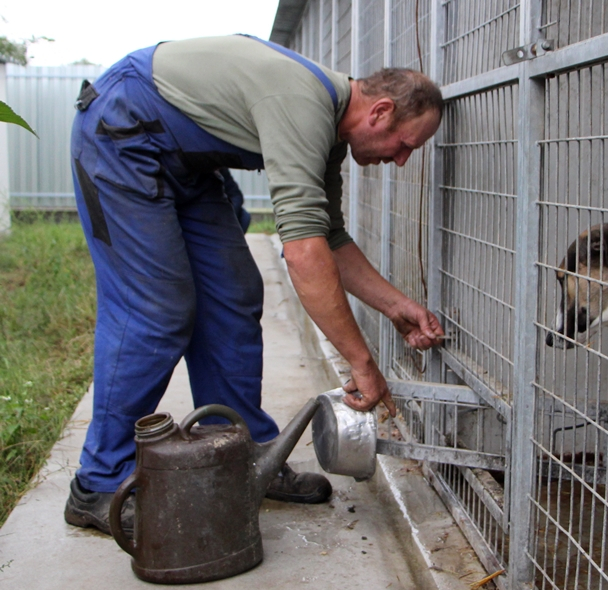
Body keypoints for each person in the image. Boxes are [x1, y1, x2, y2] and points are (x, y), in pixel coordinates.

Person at [63, 34, 444, 537]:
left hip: (184, 162)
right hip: (122, 136)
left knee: (233, 295)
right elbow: (303, 254)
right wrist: (362, 362)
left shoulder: (328, 127)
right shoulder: (303, 106)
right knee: (155, 310)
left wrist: (396, 306)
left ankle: (236, 456)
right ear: (380, 112)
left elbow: (325, 235)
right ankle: (98, 483)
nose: (401, 160)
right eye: (406, 145)